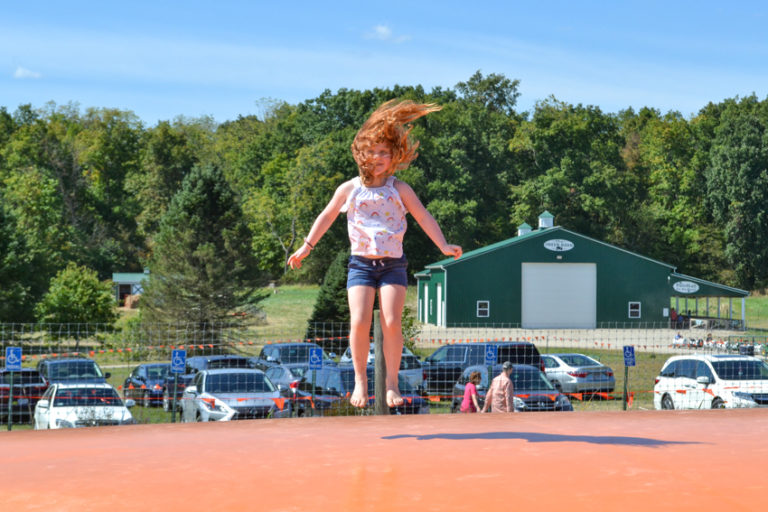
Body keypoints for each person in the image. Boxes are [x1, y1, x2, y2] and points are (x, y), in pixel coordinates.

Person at [287, 100, 462, 408]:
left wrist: (443, 245)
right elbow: (327, 216)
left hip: (393, 265)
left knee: (393, 321)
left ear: (394, 157)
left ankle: (391, 384)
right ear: (362, 154)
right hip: (361, 266)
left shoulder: (400, 188)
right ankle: (359, 382)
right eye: (373, 152)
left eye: (385, 153)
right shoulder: (349, 189)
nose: (379, 158)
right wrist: (306, 246)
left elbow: (423, 216)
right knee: (359, 321)